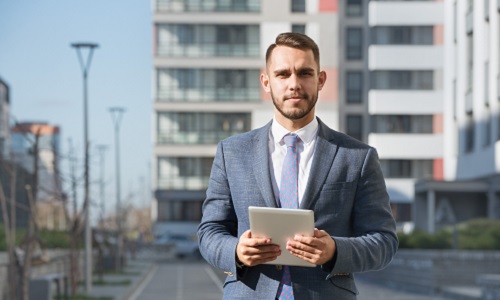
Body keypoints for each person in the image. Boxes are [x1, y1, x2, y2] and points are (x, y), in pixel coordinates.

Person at [198, 32, 398, 300]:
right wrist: (236, 250)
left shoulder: (357, 157)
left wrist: (335, 251)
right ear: (266, 82)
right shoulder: (231, 152)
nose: (294, 84)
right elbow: (209, 232)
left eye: (304, 73)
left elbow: (384, 241)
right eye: (283, 74)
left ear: (320, 79)